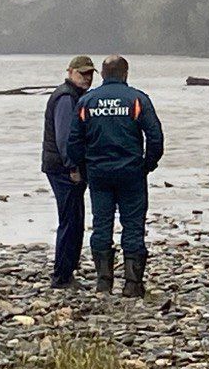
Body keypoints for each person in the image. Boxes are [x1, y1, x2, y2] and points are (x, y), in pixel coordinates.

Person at [67, 55, 163, 298]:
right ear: (125, 74)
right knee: (133, 225)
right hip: (131, 172)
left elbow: (74, 142)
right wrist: (147, 165)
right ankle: (132, 284)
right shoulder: (138, 99)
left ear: (102, 74)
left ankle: (104, 282)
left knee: (101, 225)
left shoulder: (87, 102)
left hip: (99, 174)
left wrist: (84, 167)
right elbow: (155, 137)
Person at [41, 55, 96, 289]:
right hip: (63, 169)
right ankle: (61, 275)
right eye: (82, 73)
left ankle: (68, 270)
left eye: (90, 74)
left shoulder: (77, 96)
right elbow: (64, 137)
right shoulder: (65, 97)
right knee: (70, 220)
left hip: (66, 166)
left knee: (75, 219)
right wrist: (72, 166)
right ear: (70, 71)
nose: (87, 78)